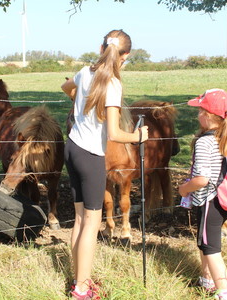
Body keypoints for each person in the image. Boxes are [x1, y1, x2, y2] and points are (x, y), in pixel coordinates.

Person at [61, 29, 148, 300]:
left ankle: (78, 278)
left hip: (72, 148)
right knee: (92, 224)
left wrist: (80, 103)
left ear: (101, 49)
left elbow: (66, 88)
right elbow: (114, 134)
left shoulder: (84, 72)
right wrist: (138, 136)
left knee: (78, 220)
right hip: (90, 157)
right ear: (126, 57)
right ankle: (82, 290)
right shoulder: (113, 84)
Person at [178, 88, 227, 300]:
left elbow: (202, 178)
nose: (197, 115)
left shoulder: (204, 141)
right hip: (222, 199)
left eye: (200, 111)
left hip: (209, 200)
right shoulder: (225, 136)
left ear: (208, 115)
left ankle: (224, 293)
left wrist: (184, 189)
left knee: (211, 248)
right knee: (205, 242)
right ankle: (207, 280)